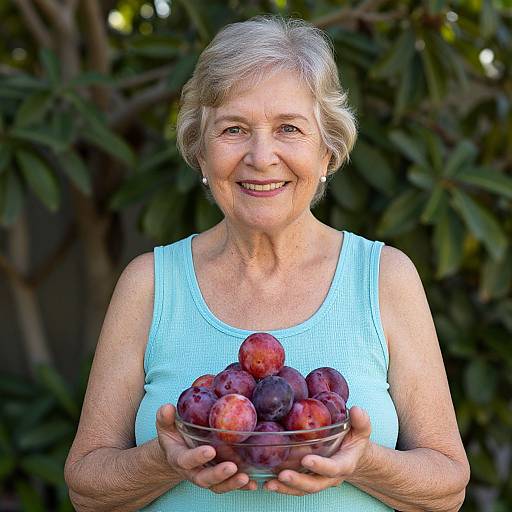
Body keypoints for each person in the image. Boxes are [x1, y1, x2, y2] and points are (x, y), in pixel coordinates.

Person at [64, 16, 470, 512]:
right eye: (234, 129)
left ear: (327, 152)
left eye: (289, 129)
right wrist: (163, 461)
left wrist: (361, 462)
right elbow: (86, 487)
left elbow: (448, 486)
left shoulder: (385, 278)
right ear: (200, 150)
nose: (261, 156)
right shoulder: (149, 284)